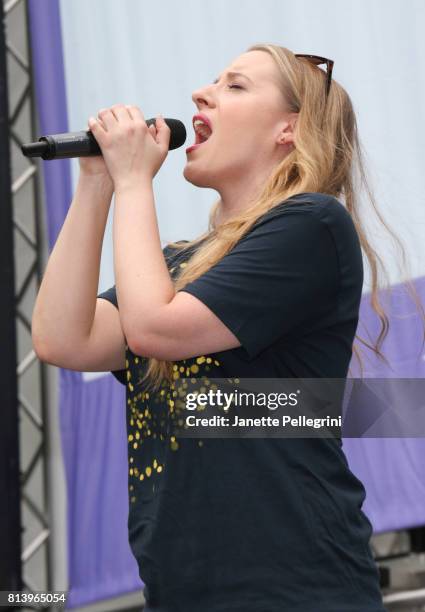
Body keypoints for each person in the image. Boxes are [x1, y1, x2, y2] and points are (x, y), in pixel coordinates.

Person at [31, 44, 398, 611]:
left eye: (235, 86)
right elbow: (63, 338)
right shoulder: (177, 265)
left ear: (288, 130)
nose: (202, 94)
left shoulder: (312, 225)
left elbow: (154, 329)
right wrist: (97, 183)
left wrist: (134, 184)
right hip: (182, 591)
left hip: (298, 589)